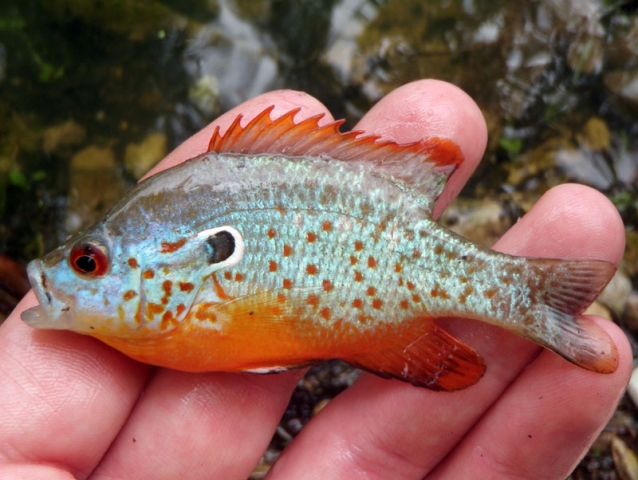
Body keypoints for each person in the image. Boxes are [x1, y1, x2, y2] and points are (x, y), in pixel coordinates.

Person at [0, 80, 630, 479]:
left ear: (180, 262)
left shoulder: (182, 322)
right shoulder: (163, 326)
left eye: (90, 263)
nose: (60, 278)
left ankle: (530, 297)